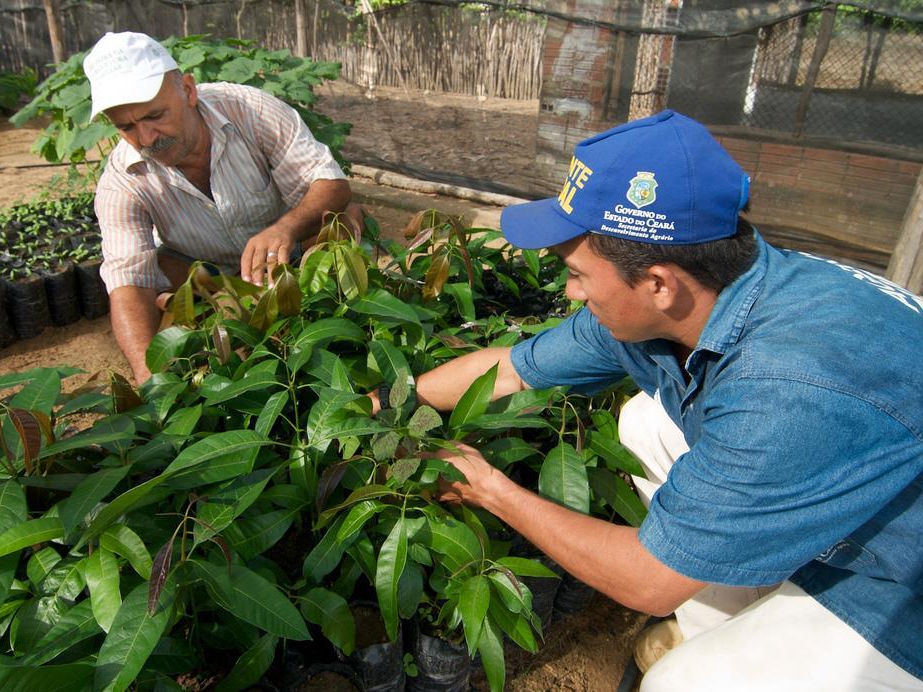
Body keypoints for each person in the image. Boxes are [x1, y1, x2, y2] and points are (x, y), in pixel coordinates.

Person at [371, 110, 923, 690]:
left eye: (579, 273)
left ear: (659, 283)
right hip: (848, 497)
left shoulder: (783, 388)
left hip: (896, 587)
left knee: (679, 683)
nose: (569, 290)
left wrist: (489, 489)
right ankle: (728, 622)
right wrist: (389, 401)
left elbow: (645, 582)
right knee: (645, 422)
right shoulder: (711, 290)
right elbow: (511, 370)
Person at [83, 31, 356, 382]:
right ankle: (225, 313)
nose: (147, 138)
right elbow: (127, 281)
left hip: (287, 255)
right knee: (158, 285)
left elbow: (330, 183)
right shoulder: (122, 180)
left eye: (155, 115)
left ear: (188, 90)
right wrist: (150, 382)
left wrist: (285, 228)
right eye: (127, 127)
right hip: (203, 273)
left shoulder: (250, 111)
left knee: (343, 220)